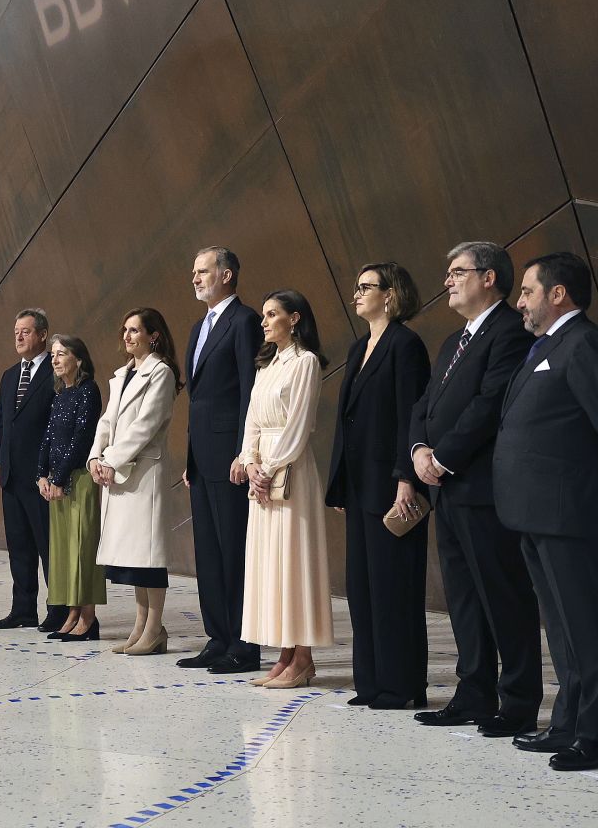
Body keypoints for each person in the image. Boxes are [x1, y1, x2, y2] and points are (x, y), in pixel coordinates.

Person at [496, 252, 598, 773]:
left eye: (528, 291)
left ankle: (595, 738)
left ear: (558, 294)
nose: (521, 301)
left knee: (587, 627)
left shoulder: (584, 342)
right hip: (536, 510)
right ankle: (566, 724)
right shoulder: (549, 344)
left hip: (568, 510)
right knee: (559, 626)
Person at [409, 242, 542, 737]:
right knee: (464, 598)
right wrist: (420, 448)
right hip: (446, 488)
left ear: (489, 278)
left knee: (503, 596)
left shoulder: (509, 332)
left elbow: (489, 406)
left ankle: (520, 701)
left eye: (458, 271)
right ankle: (474, 692)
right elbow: (424, 404)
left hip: (482, 489)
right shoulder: (452, 341)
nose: (448, 279)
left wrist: (443, 458)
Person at [325, 263, 432, 709]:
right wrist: (341, 482)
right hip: (360, 486)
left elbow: (411, 417)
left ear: (390, 295)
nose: (356, 293)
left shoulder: (405, 346)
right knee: (362, 586)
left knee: (395, 587)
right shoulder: (359, 346)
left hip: (391, 484)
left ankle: (402, 685)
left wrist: (406, 478)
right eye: (357, 286)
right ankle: (369, 682)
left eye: (365, 286)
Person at [238, 290, 335, 688]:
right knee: (270, 565)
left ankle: (304, 658)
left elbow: (299, 426)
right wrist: (250, 463)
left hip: (291, 469)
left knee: (294, 562)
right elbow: (252, 422)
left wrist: (270, 468)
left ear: (294, 319)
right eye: (263, 315)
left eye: (272, 314)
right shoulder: (266, 365)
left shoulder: (305, 362)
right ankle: (283, 655)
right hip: (263, 471)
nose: (263, 322)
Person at [177, 247, 265, 673]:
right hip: (202, 457)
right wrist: (190, 455)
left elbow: (249, 390)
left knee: (234, 551)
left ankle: (244, 645)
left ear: (227, 275)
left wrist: (245, 452)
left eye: (203, 271)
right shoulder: (199, 327)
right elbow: (199, 399)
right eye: (194, 272)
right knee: (209, 553)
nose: (195, 278)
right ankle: (217, 637)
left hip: (231, 456)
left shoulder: (245, 320)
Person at [88, 308, 180, 655]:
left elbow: (146, 425)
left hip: (142, 474)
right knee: (131, 558)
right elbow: (107, 421)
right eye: (125, 330)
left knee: (149, 556)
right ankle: (140, 625)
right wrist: (96, 457)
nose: (127, 336)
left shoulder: (161, 373)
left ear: (153, 336)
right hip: (118, 472)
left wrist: (111, 460)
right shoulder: (122, 374)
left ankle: (154, 627)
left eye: (135, 330)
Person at [0, 308, 61, 633]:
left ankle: (57, 609)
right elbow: (1, 422)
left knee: (48, 546)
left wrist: (52, 471)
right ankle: (23, 609)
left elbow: (58, 426)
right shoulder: (8, 376)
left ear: (42, 334)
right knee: (19, 546)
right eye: (16, 331)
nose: (18, 336)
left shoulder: (55, 372)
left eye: (26, 331)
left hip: (42, 476)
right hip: (12, 476)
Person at [37, 334, 104, 641]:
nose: (55, 359)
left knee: (82, 549)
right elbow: (49, 437)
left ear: (79, 359)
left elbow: (80, 439)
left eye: (61, 353)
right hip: (59, 481)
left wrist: (59, 478)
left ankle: (88, 618)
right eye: (53, 354)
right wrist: (42, 475)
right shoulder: (60, 393)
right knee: (64, 551)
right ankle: (73, 612)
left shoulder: (88, 391)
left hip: (79, 480)